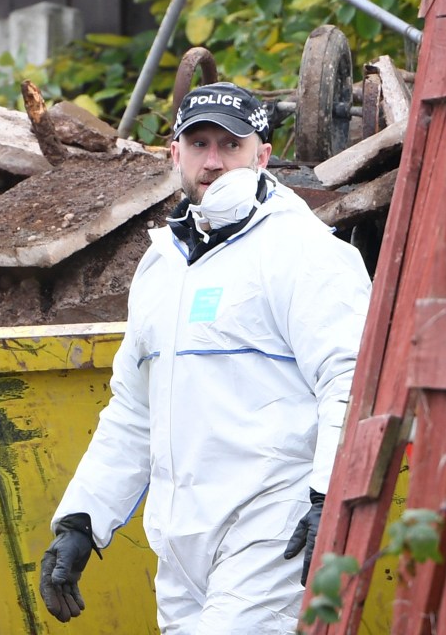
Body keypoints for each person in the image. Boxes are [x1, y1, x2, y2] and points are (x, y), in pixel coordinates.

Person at [38, 82, 372, 634]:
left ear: (262, 156)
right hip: (181, 546)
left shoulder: (305, 252)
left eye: (231, 145)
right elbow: (133, 410)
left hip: (271, 529)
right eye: (199, 144)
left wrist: (327, 498)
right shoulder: (162, 264)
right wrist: (81, 521)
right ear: (175, 153)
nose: (213, 161)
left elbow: (351, 378)